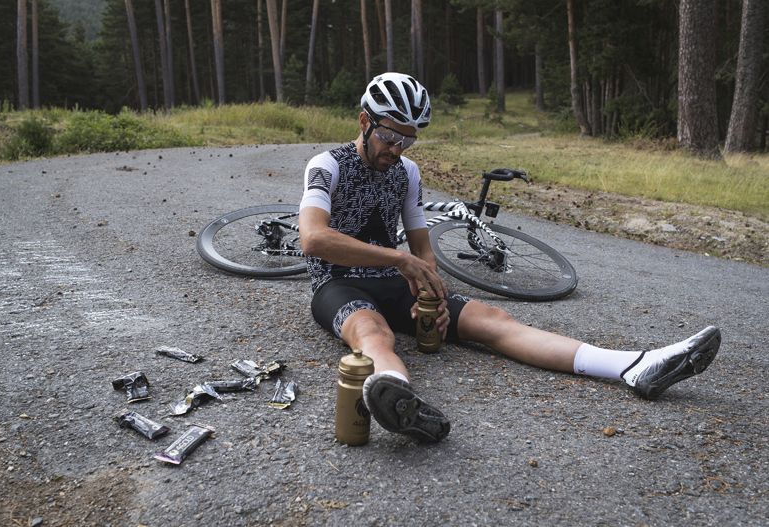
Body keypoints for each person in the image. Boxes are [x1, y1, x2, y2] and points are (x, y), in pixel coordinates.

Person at [298, 72, 721, 443]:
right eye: (390, 136)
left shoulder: (406, 173)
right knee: (374, 334)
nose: (398, 148)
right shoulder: (327, 165)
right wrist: (397, 259)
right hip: (336, 283)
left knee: (494, 321)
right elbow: (314, 239)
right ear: (363, 122)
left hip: (391, 279)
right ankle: (395, 395)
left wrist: (435, 296)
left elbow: (422, 248)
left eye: (408, 139)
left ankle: (632, 366)